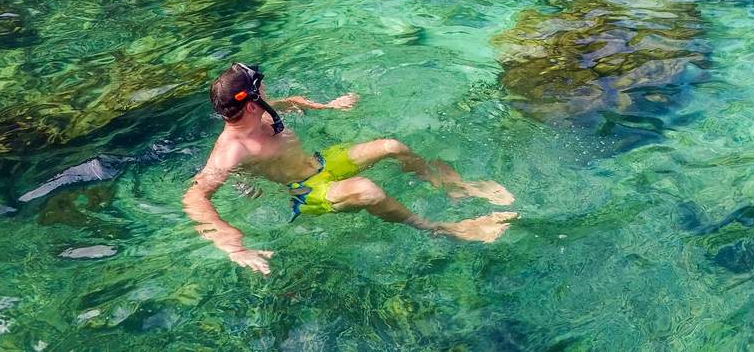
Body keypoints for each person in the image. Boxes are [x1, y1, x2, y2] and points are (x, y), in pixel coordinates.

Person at [182, 63, 516, 275]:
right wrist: (232, 246)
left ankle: (446, 183)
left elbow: (291, 102)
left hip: (321, 161)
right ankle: (440, 228)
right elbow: (195, 197)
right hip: (305, 189)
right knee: (369, 190)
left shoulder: (259, 111)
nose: (268, 89)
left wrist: (328, 106)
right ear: (251, 103)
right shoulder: (231, 150)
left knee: (391, 145)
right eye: (262, 86)